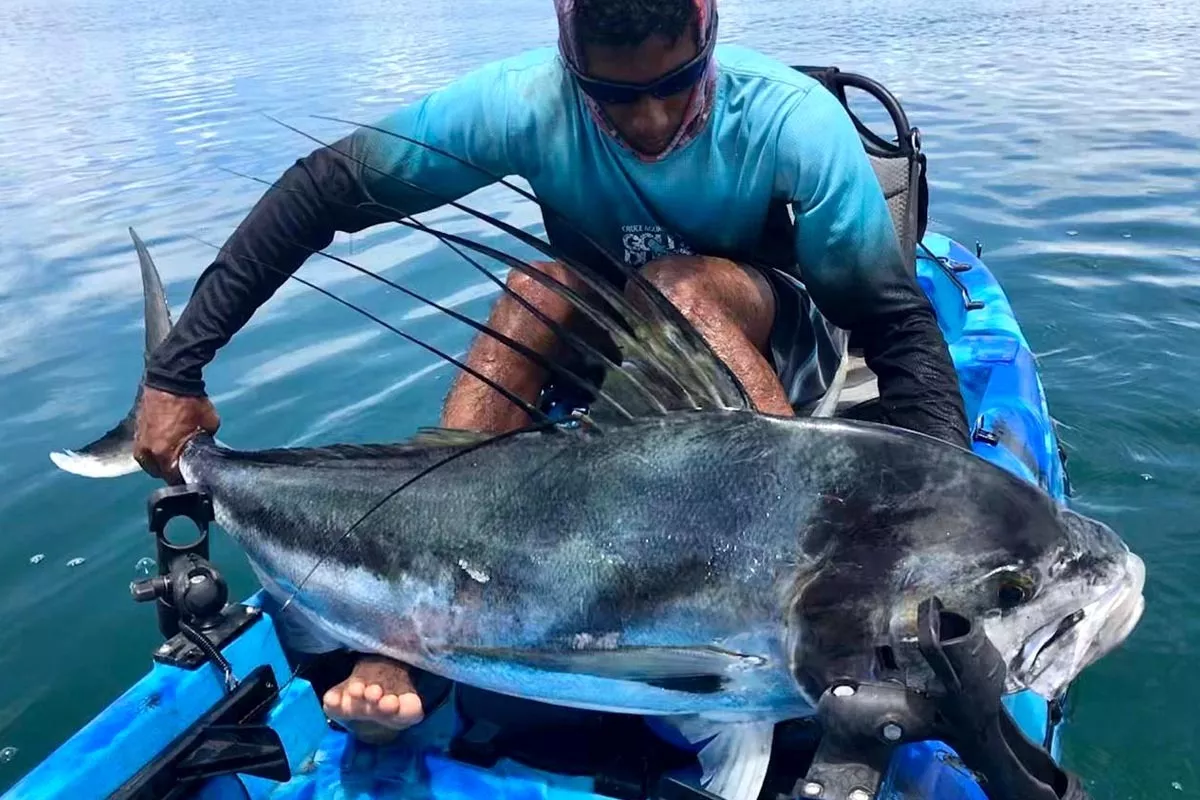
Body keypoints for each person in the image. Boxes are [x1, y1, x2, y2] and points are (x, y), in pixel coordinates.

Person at [132, 0, 969, 743]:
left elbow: (891, 321)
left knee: (675, 284)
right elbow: (324, 191)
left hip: (765, 341)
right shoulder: (523, 100)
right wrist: (177, 371)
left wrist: (950, 502)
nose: (648, 121)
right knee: (537, 285)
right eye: (613, 98)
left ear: (709, 29)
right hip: (619, 354)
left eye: (676, 86)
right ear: (568, 52)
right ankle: (406, 628)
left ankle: (784, 584)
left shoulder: (789, 119)